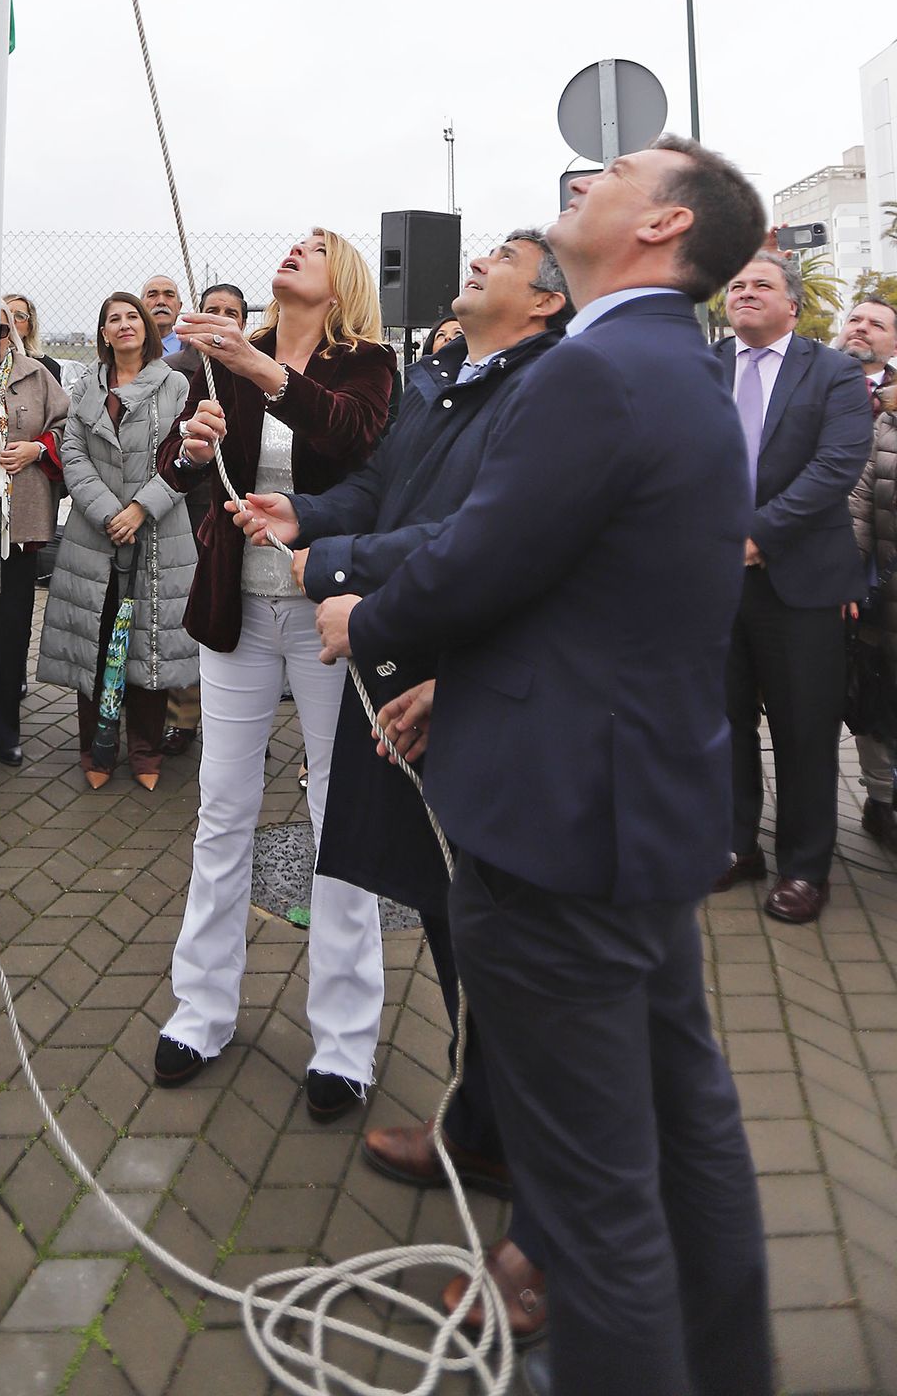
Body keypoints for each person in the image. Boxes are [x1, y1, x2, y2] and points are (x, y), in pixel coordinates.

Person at [313, 136, 773, 1396]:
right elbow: (600, 588)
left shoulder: (597, 372)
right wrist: (460, 679)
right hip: (635, 816)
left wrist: (375, 618)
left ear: (664, 225)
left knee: (593, 1198)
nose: (583, 182)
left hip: (560, 831)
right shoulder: (671, 362)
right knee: (690, 1139)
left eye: (616, 171)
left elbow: (485, 553)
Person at [242, 232, 570, 1343]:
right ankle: (475, 1124)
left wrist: (339, 577)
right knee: (443, 905)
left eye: (507, 256)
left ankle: (544, 1207)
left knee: (509, 946)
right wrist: (311, 519)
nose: (473, 258)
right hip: (404, 668)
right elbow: (384, 487)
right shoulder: (443, 375)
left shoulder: (545, 388)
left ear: (546, 302)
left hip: (465, 674)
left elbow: (475, 536)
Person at [150, 232, 397, 1117]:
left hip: (326, 618)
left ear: (343, 283)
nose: (294, 250)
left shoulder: (367, 364)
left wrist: (261, 370)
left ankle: (343, 1043)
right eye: (291, 242)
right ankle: (201, 1009)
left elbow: (357, 439)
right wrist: (187, 447)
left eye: (316, 247)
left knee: (340, 816)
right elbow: (182, 476)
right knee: (222, 807)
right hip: (239, 611)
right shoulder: (222, 358)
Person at [715, 249, 870, 923]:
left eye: (762, 285)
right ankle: (735, 845)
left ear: (793, 305)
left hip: (800, 581)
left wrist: (758, 537)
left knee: (804, 728)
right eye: (738, 285)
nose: (746, 292)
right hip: (712, 580)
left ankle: (805, 868)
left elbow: (837, 465)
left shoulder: (833, 371)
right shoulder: (706, 367)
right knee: (721, 722)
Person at [37, 293, 194, 790]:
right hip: (94, 533)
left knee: (147, 642)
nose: (124, 325)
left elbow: (186, 454)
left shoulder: (176, 384)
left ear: (147, 328)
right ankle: (95, 748)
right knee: (96, 637)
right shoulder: (85, 387)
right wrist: (111, 513)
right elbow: (73, 453)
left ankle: (146, 751)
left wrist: (142, 507)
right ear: (103, 333)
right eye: (113, 320)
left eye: (132, 317)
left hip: (158, 529)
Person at [161, 282, 250, 761]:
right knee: (187, 622)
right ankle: (183, 719)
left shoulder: (255, 367)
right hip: (182, 508)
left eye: (230, 311)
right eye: (211, 309)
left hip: (229, 517)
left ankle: (237, 722)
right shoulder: (172, 371)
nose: (220, 317)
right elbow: (166, 452)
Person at [0, 303, 68, 765]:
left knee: (11, 625)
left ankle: (3, 730)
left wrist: (37, 448)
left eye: (1, 329)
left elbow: (68, 429)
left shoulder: (36, 375)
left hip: (18, 524)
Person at [850, 379, 897, 858]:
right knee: (878, 702)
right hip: (882, 597)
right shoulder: (883, 428)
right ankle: (881, 803)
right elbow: (859, 507)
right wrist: (851, 575)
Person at [838, 293, 897, 408]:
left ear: (895, 348)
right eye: (854, 320)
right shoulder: (805, 381)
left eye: (877, 325)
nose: (861, 327)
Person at [5, 292, 62, 384]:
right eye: (6, 314)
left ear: (30, 328)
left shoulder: (47, 368)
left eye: (20, 316)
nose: (12, 320)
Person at [141, 274, 184, 356]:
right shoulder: (127, 349)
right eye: (152, 295)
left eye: (169, 295)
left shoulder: (195, 351)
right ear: (141, 306)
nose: (161, 302)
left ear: (179, 307)